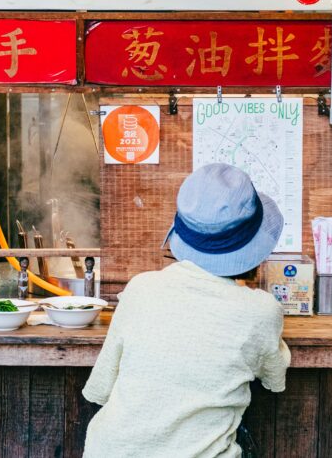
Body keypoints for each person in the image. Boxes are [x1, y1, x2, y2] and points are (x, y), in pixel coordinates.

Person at [82, 163, 290, 458]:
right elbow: (274, 380)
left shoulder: (141, 288)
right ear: (252, 245)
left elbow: (100, 388)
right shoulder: (261, 310)